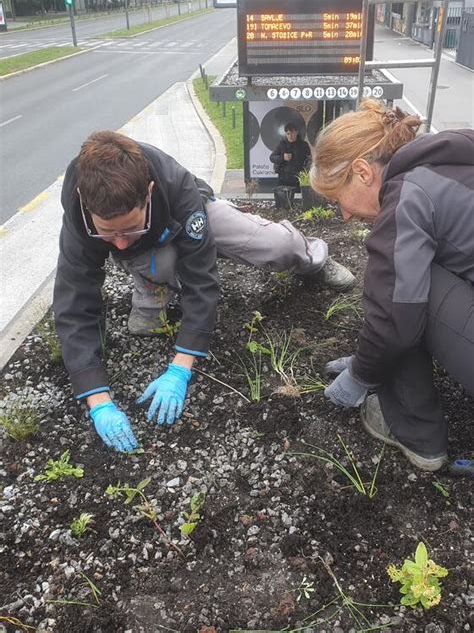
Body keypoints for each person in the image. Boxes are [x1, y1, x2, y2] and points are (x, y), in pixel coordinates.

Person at [54, 130, 355, 453]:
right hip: (152, 251)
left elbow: (202, 280)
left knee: (277, 246)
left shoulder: (173, 183)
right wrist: (97, 399)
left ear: (148, 194)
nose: (120, 242)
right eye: (108, 232)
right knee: (160, 263)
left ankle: (312, 257)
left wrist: (180, 368)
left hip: (190, 213)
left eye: (129, 227)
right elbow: (75, 302)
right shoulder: (80, 208)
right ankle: (151, 285)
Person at [310, 99, 474, 472]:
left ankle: (416, 433)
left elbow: (396, 317)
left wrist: (362, 374)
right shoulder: (448, 163)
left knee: (398, 291)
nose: (345, 215)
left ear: (364, 172)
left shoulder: (409, 194)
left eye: (339, 199)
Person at [270, 122, 311, 189]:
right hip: (284, 179)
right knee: (284, 197)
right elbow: (272, 158)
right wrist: (283, 157)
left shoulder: (303, 145)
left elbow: (309, 160)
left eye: (292, 133)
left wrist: (306, 173)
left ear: (296, 132)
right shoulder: (282, 144)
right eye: (288, 134)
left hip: (299, 179)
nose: (290, 136)